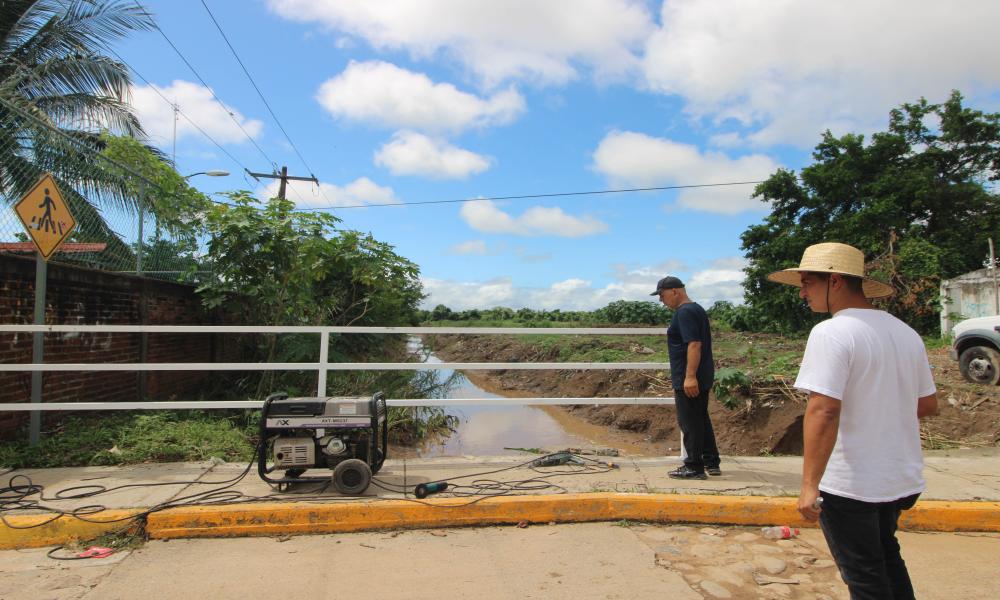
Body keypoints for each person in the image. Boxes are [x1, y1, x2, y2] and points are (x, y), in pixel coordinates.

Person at [767, 242, 938, 600]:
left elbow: (823, 410)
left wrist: (809, 485)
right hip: (898, 478)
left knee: (864, 577)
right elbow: (926, 405)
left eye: (807, 283)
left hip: (852, 483)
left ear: (834, 282)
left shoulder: (832, 332)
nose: (802, 293)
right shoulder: (906, 333)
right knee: (887, 559)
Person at [651, 275, 721, 480]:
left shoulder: (684, 312)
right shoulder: (696, 309)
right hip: (702, 374)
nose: (661, 301)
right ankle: (711, 461)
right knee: (700, 419)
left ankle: (693, 467)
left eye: (662, 295)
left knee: (689, 422)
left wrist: (689, 376)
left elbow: (694, 344)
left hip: (690, 376)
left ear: (675, 291)